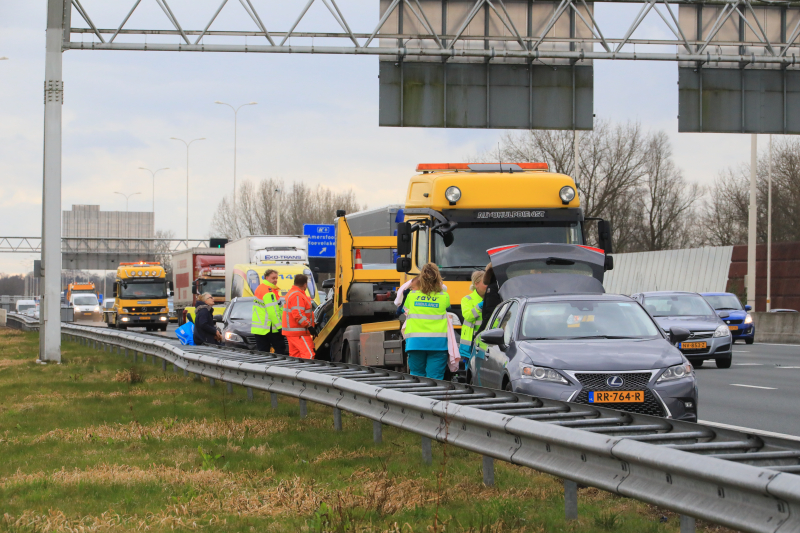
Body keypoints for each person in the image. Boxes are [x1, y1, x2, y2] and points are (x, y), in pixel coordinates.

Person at [403, 263, 450, 380]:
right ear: (438, 279)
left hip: (415, 343)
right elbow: (447, 305)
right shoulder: (444, 297)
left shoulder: (412, 296)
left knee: (417, 376)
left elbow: (404, 309)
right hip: (438, 344)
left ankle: (418, 398)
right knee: (435, 379)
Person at [282, 274, 316, 359]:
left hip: (293, 332)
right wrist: (309, 326)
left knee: (295, 357)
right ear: (305, 284)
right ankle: (306, 372)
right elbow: (298, 315)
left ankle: (294, 372)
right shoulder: (297, 295)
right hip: (299, 332)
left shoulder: (292, 293)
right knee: (309, 355)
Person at [251, 269, 284, 354]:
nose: (275, 280)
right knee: (280, 349)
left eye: (276, 278)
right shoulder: (269, 291)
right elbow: (273, 312)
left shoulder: (260, 288)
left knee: (263, 354)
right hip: (270, 328)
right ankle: (277, 367)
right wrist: (280, 327)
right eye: (273, 278)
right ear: (266, 277)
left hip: (259, 328)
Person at [460, 270, 487, 368]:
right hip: (472, 343)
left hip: (488, 341)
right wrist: (481, 305)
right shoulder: (467, 299)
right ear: (476, 284)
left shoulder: (494, 298)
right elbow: (468, 316)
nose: (488, 285)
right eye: (485, 283)